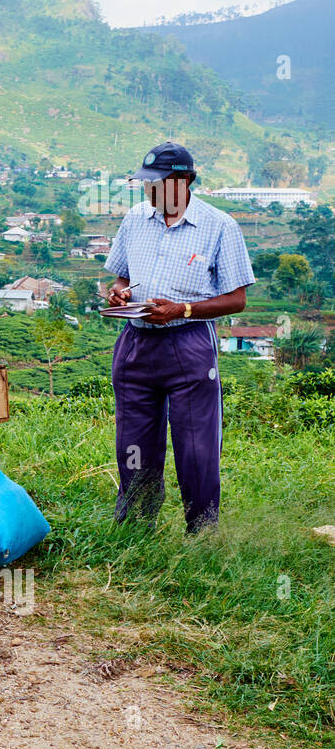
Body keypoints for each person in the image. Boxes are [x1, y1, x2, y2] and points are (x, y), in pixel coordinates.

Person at [105, 141, 255, 533]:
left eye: (158, 184)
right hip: (135, 342)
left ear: (185, 181)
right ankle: (136, 524)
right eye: (146, 183)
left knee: (195, 446)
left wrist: (182, 309)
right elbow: (122, 274)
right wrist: (120, 291)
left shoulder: (220, 226)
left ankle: (201, 531)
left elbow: (236, 299)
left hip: (188, 344)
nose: (149, 191)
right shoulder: (135, 219)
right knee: (133, 443)